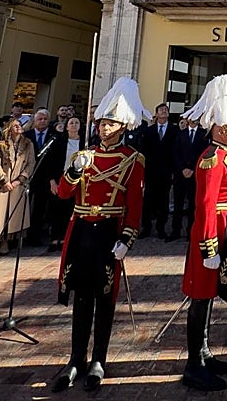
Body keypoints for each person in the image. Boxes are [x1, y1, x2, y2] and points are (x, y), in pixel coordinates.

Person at [52, 79, 146, 393]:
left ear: (123, 127)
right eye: (102, 122)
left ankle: (98, 359)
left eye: (111, 123)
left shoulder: (133, 159)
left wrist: (127, 239)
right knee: (81, 296)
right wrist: (75, 170)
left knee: (105, 297)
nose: (104, 128)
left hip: (108, 231)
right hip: (80, 230)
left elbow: (134, 204)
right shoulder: (84, 155)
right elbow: (65, 194)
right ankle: (75, 358)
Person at [180, 75, 227, 393]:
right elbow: (206, 207)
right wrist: (210, 249)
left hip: (223, 231)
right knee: (200, 298)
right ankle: (193, 364)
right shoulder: (211, 159)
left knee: (208, 299)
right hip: (210, 237)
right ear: (221, 128)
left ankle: (204, 353)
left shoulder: (224, 156)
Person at [0, 116, 35, 255]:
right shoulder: (1, 144)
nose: (19, 128)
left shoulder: (28, 144)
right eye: (15, 125)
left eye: (20, 126)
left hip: (17, 184)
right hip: (2, 184)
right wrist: (3, 180)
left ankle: (6, 241)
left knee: (12, 214)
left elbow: (30, 163)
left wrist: (19, 180)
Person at [23, 107, 60, 246]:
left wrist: (52, 178)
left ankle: (34, 236)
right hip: (28, 176)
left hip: (46, 178)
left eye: (45, 119)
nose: (42, 121)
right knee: (24, 207)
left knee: (39, 208)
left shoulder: (54, 136)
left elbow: (56, 160)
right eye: (40, 119)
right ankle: (20, 235)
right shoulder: (27, 135)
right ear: (34, 120)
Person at [45, 116, 82, 252]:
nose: (73, 125)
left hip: (77, 180)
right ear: (66, 126)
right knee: (57, 210)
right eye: (71, 123)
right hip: (60, 179)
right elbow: (49, 162)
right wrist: (52, 181)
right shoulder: (58, 141)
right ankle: (55, 239)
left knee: (71, 210)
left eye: (76, 123)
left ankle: (67, 238)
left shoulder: (84, 142)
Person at [140, 102, 176, 239]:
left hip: (166, 171)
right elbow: (144, 150)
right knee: (148, 200)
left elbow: (175, 151)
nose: (164, 111)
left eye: (166, 110)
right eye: (161, 109)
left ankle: (161, 228)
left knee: (163, 201)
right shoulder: (149, 131)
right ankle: (146, 227)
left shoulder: (174, 130)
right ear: (156, 114)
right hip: (151, 171)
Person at [171, 113, 207, 241]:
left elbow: (203, 153)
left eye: (196, 117)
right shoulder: (181, 133)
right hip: (180, 174)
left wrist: (192, 168)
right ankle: (175, 231)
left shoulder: (204, 134)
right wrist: (182, 168)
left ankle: (190, 232)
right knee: (178, 204)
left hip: (194, 174)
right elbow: (175, 153)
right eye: (191, 117)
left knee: (193, 204)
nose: (193, 120)